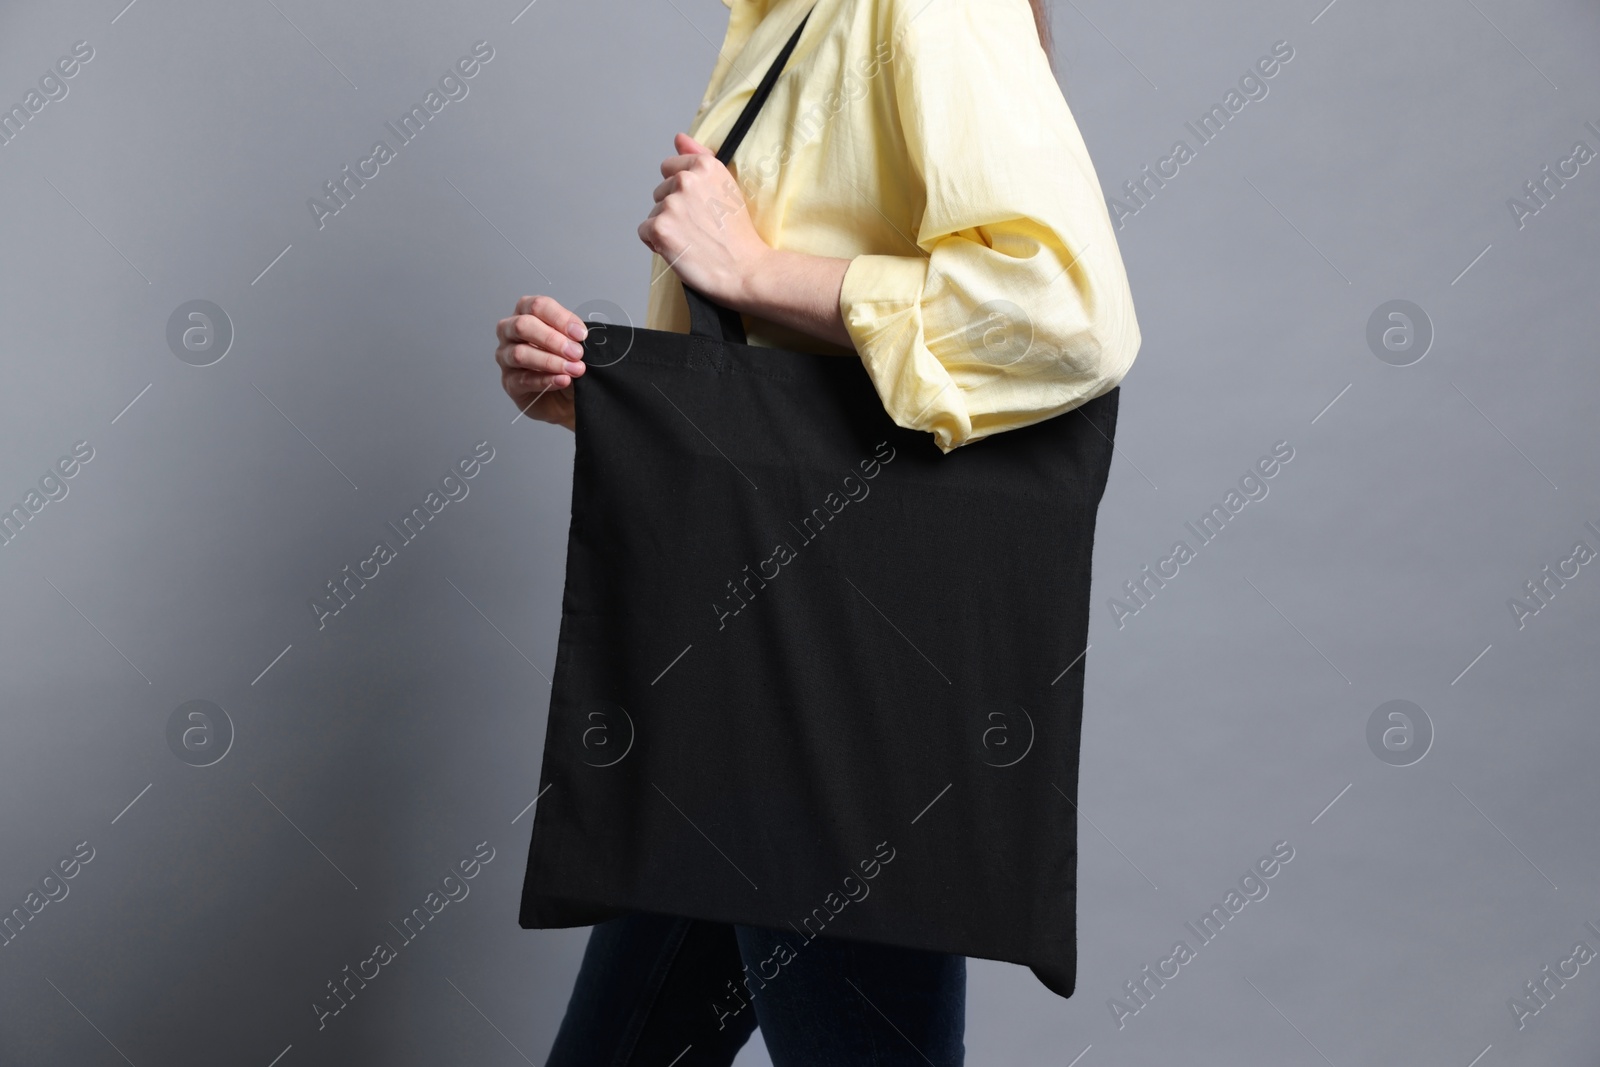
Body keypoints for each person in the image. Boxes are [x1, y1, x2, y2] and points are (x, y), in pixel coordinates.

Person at [493, 0, 1140, 1060]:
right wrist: (609, 404)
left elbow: (1064, 313)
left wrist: (749, 269)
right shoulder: (788, 17)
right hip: (747, 663)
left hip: (842, 675)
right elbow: (778, 401)